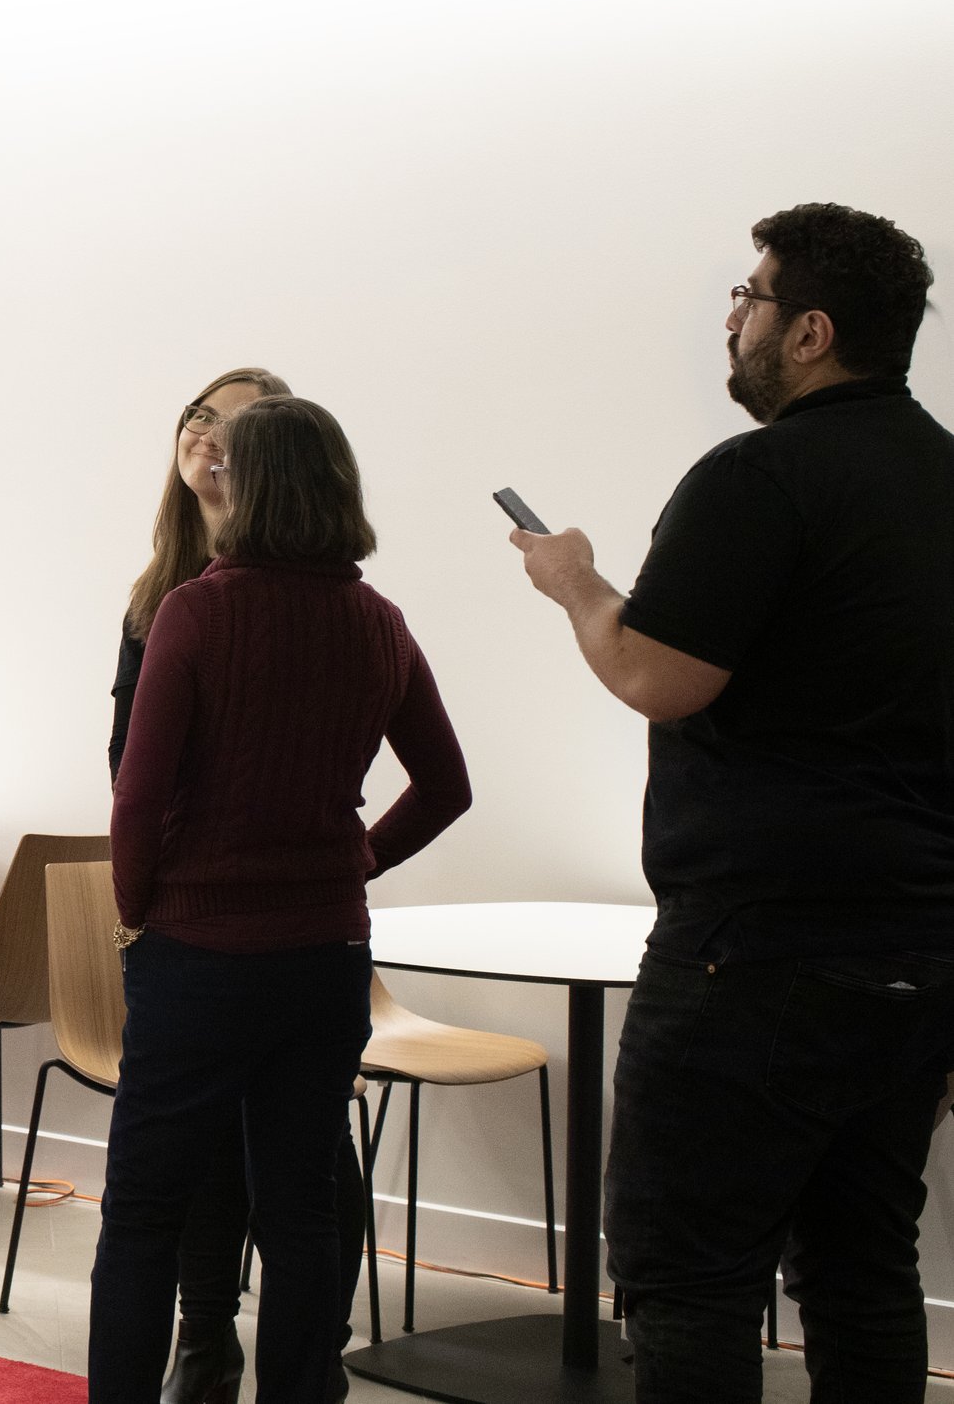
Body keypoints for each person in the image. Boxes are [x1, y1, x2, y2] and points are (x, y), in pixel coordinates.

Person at [511, 203, 954, 1403]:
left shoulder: (757, 476)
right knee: (862, 1271)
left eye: (749, 297)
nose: (732, 317)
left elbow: (658, 674)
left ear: (809, 332)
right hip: (919, 952)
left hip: (751, 957)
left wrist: (574, 581)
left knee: (686, 1277)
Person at [100, 397, 472, 1404]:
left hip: (197, 951)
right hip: (322, 956)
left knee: (142, 1208)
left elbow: (138, 788)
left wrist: (138, 906)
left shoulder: (198, 610)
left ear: (251, 488)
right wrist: (356, 859)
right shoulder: (376, 619)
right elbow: (447, 786)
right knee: (305, 1203)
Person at [109, 369, 373, 1404]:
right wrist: (144, 904)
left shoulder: (330, 599)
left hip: (274, 923)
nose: (210, 439)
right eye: (197, 417)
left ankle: (298, 1356)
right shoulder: (158, 596)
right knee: (217, 1146)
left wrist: (356, 856)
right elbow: (130, 765)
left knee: (301, 1168)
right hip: (201, 915)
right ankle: (206, 1336)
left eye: (238, 425)